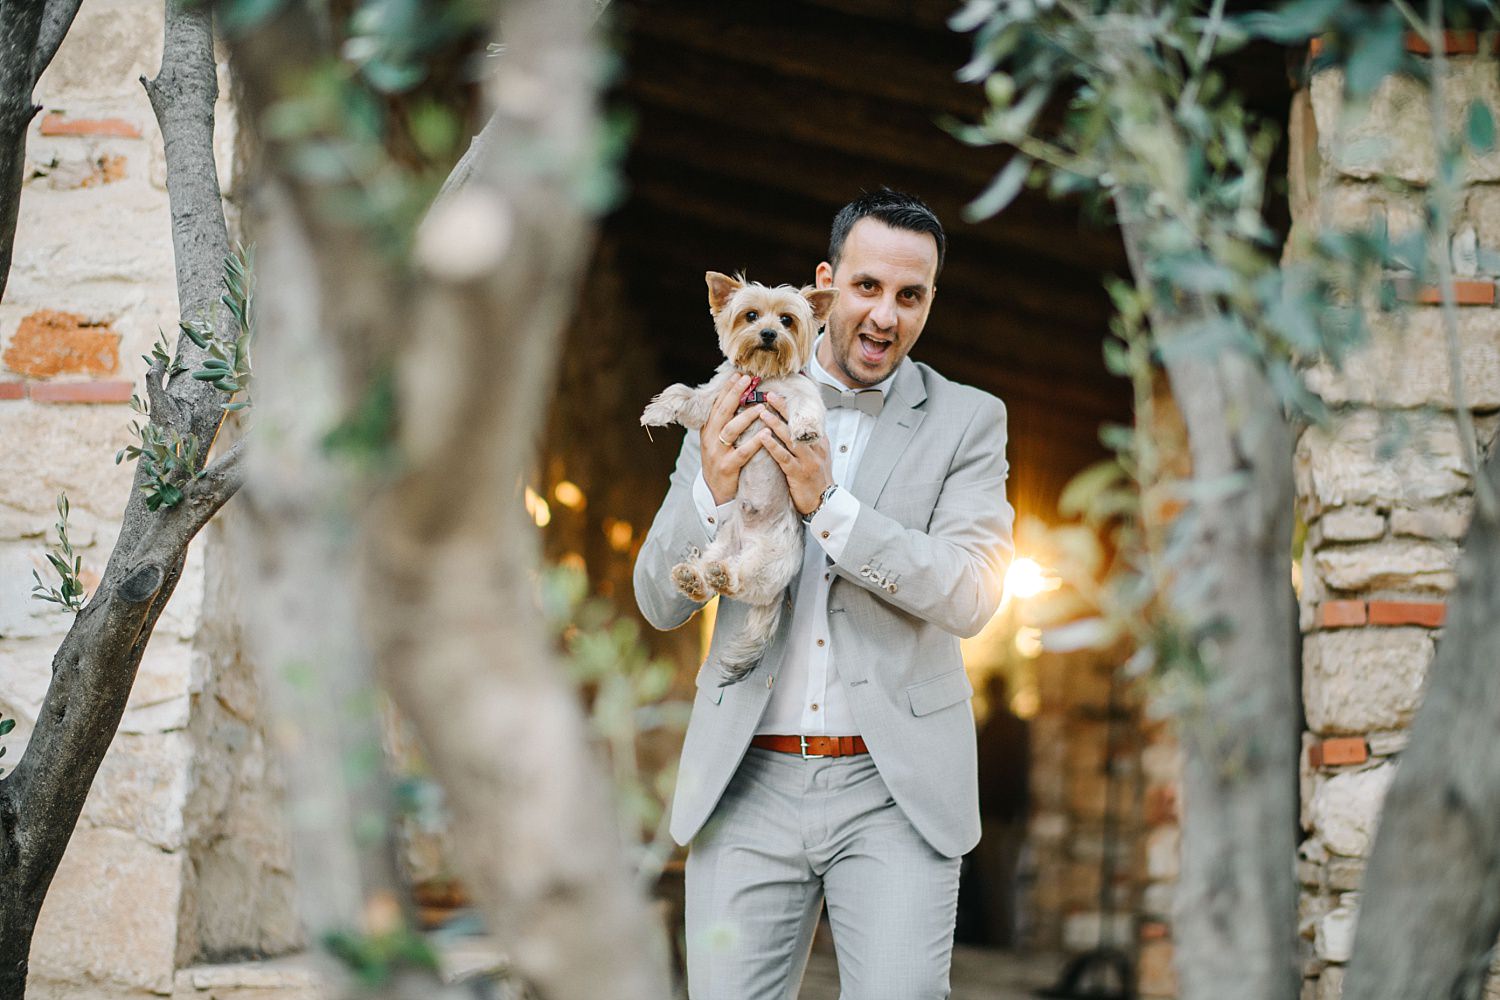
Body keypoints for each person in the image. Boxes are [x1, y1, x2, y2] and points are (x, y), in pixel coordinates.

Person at [633, 188, 1014, 999]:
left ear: (930, 301)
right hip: (746, 786)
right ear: (823, 284)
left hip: (895, 794)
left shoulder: (970, 421)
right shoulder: (730, 394)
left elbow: (974, 592)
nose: (886, 316)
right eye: (867, 287)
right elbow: (656, 600)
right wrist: (711, 486)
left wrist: (830, 508)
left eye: (911, 296)